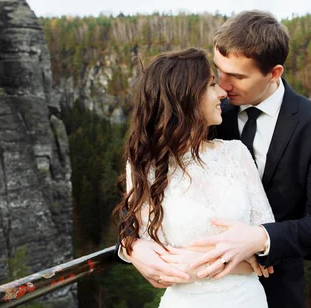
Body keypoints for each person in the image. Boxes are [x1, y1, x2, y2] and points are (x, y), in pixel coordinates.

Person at [121, 10, 311, 307]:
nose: (224, 88)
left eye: (237, 77)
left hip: (274, 292)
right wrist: (133, 247)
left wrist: (261, 238)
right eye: (218, 73)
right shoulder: (202, 114)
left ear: (274, 73)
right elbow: (145, 197)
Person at [113, 48, 275, 307]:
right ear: (185, 97)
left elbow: (264, 254)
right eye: (212, 85)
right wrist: (131, 248)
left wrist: (191, 261)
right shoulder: (144, 167)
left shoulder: (236, 154)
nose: (222, 92)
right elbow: (155, 259)